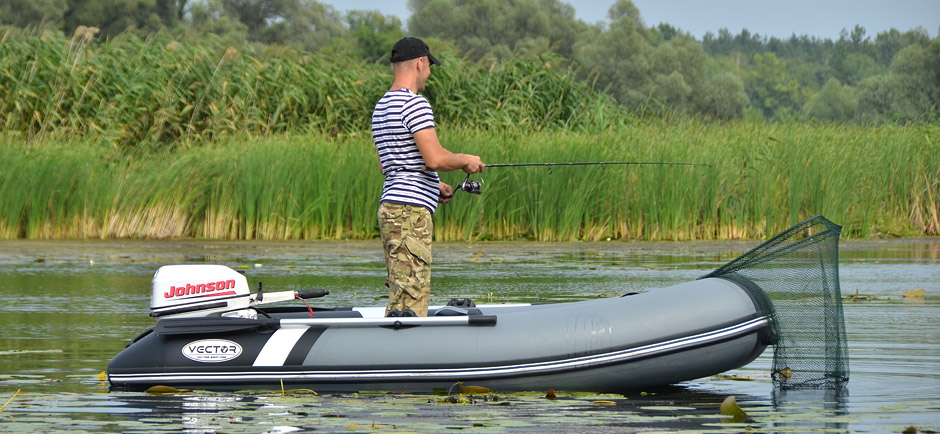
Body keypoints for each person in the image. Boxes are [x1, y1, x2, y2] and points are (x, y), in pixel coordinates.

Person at [372, 37, 485, 317]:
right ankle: (407, 356)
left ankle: (393, 352)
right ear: (420, 63)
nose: (430, 73)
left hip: (391, 209)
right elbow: (435, 158)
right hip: (411, 214)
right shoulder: (415, 104)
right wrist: (466, 161)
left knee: (401, 292)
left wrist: (436, 186)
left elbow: (390, 166)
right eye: (429, 66)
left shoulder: (381, 107)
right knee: (413, 296)